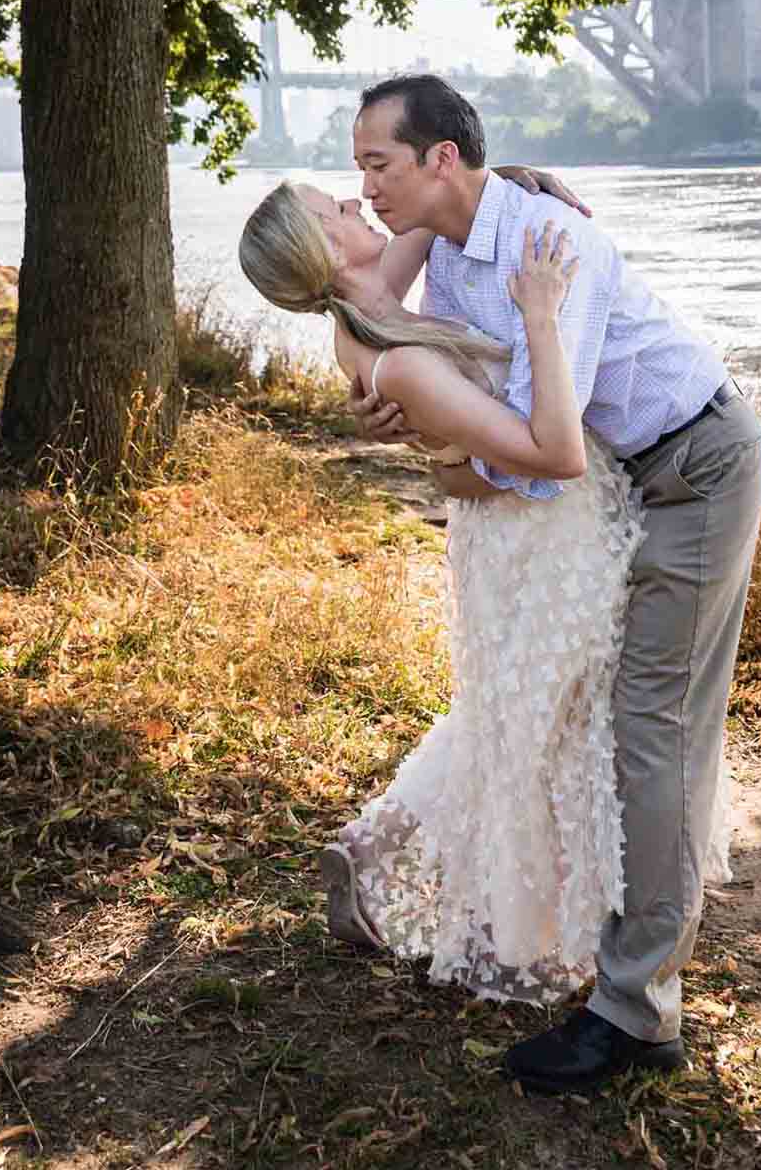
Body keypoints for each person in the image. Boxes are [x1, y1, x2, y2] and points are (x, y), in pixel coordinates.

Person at [344, 75, 761, 1095]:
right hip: (631, 482)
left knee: (652, 729)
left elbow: (547, 446)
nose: (364, 190)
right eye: (357, 170)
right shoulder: (451, 254)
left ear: (442, 156)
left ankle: (635, 1017)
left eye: (379, 165)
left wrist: (451, 459)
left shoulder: (548, 247)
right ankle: (619, 958)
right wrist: (436, 418)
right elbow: (470, 377)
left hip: (696, 468)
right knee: (602, 724)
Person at [238, 175, 705, 1012]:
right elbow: (545, 455)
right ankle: (521, 921)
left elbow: (441, 199)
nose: (358, 202)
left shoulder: (371, 299)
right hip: (539, 540)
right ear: (323, 251)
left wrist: (507, 173)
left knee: (528, 712)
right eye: (337, 211)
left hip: (536, 529)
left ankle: (387, 851)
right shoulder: (393, 353)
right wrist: (538, 313)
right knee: (547, 720)